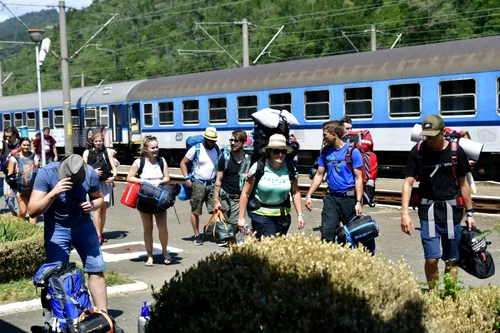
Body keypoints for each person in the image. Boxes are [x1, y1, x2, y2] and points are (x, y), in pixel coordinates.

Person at [401, 114, 475, 289]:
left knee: (452, 259)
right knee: (432, 258)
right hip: (428, 211)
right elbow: (408, 182)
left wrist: (470, 213)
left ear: (443, 132)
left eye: (434, 136)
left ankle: (449, 293)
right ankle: (434, 293)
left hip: (453, 212)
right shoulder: (418, 151)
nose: (430, 140)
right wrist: (405, 213)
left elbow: (463, 184)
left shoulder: (456, 151)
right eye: (427, 136)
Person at [28, 154, 108, 312]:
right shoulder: (46, 173)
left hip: (84, 225)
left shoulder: (90, 172)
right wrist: (53, 193)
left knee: (96, 268)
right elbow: (32, 211)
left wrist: (92, 205)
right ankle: (59, 319)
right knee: (55, 275)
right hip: (57, 228)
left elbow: (99, 199)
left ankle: (103, 317)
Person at [305, 120, 375, 253]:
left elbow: (358, 178)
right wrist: (309, 195)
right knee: (327, 233)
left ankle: (357, 260)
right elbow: (319, 174)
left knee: (353, 233)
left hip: (349, 199)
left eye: (325, 135)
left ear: (334, 134)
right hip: (331, 198)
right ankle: (330, 262)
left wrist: (359, 202)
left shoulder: (352, 152)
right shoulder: (325, 151)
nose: (323, 138)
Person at [238, 134, 305, 239]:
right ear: (269, 151)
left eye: (283, 151)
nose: (280, 154)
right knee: (269, 244)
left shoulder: (290, 168)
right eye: (276, 151)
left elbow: (295, 192)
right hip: (261, 214)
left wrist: (300, 215)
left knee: (277, 247)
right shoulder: (258, 167)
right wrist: (241, 218)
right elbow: (245, 193)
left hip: (282, 216)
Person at [126, 135, 171, 266]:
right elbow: (129, 177)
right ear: (145, 149)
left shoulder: (162, 161)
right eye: (152, 148)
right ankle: (150, 256)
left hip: (159, 198)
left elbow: (167, 177)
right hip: (145, 198)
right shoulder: (139, 162)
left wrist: (160, 181)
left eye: (157, 147)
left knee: (162, 227)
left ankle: (165, 252)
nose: (155, 150)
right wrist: (143, 181)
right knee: (148, 228)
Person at [180, 127, 220, 246]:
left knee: (217, 209)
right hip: (198, 183)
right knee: (195, 210)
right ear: (206, 139)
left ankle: (218, 233)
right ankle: (197, 235)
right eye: (211, 141)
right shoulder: (196, 149)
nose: (213, 143)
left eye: (214, 141)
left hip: (212, 183)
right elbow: (183, 163)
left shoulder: (217, 149)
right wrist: (186, 178)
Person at [213, 130, 251, 246]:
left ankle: (238, 255)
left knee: (241, 230)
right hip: (230, 200)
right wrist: (215, 201)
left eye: (236, 141)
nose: (233, 143)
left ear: (244, 142)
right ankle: (235, 255)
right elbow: (218, 180)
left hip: (246, 198)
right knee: (235, 230)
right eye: (231, 140)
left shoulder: (249, 158)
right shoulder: (225, 157)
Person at [82, 133, 118, 245]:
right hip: (94, 185)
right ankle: (97, 235)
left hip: (106, 183)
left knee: (103, 209)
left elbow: (114, 168)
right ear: (93, 142)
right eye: (96, 141)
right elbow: (83, 168)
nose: (98, 143)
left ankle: (100, 233)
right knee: (96, 208)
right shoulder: (87, 152)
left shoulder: (107, 152)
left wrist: (113, 177)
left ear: (103, 141)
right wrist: (93, 172)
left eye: (100, 141)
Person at [6, 137, 39, 224]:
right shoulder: (14, 158)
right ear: (20, 145)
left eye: (28, 145)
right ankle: (18, 225)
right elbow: (10, 175)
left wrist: (37, 164)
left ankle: (33, 232)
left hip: (33, 188)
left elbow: (38, 170)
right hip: (19, 189)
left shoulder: (34, 157)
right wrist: (8, 189)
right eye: (24, 145)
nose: (26, 147)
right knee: (23, 211)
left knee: (33, 212)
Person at [1, 127, 20, 214]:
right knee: (7, 197)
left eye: (9, 136)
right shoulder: (4, 144)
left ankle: (22, 212)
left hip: (19, 175)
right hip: (7, 175)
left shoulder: (21, 143)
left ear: (15, 135)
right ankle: (13, 212)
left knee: (20, 196)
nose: (7, 138)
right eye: (6, 136)